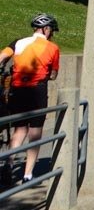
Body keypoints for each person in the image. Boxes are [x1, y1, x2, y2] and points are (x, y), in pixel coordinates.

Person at [0, 13, 60, 185]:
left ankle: (9, 163)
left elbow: (2, 57)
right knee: (35, 132)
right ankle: (27, 174)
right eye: (51, 30)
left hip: (17, 90)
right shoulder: (53, 48)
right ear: (46, 30)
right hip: (37, 92)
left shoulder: (18, 42)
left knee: (19, 129)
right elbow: (54, 75)